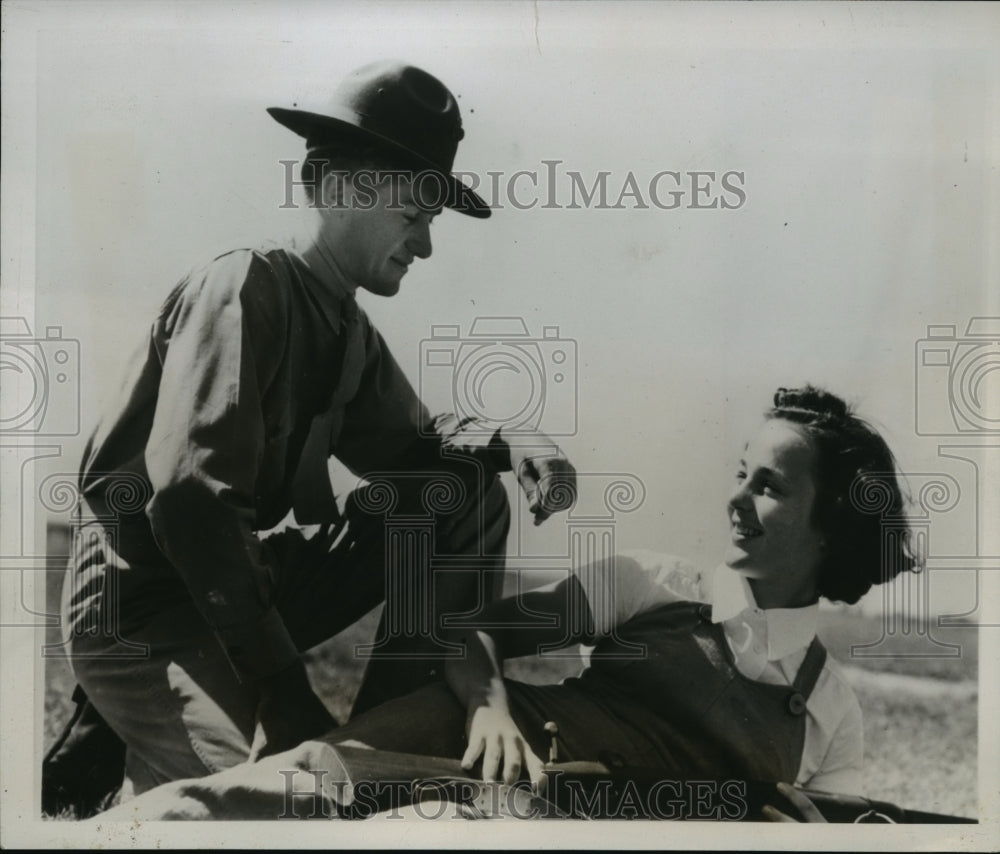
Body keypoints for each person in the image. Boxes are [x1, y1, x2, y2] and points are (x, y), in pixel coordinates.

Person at [47, 60, 578, 808]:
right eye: (414, 215)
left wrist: (513, 440)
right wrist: (282, 690)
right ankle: (164, 731)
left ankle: (382, 738)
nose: (425, 247)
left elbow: (420, 453)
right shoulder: (244, 286)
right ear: (340, 188)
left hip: (238, 593)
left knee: (458, 491)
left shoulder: (346, 330)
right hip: (141, 605)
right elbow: (191, 503)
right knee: (274, 802)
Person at [92, 384, 920, 820]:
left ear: (831, 526)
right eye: (740, 472)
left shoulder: (830, 712)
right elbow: (469, 629)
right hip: (454, 748)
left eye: (768, 486)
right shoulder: (658, 583)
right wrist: (488, 710)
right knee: (266, 802)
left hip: (540, 824)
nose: (737, 499)